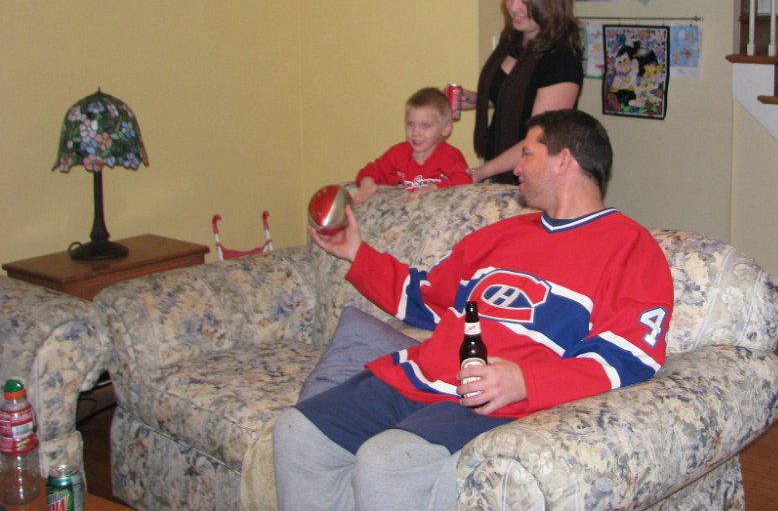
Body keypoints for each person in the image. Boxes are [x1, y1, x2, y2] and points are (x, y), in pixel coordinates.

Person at [273, 109, 674, 511]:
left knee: (388, 462)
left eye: (527, 154)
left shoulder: (629, 247)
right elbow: (428, 298)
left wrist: (527, 381)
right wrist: (357, 253)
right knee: (297, 431)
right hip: (419, 378)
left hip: (493, 402)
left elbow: (629, 358)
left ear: (563, 160)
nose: (517, 168)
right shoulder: (498, 236)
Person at [461, 0, 584, 184]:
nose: (513, 7)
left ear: (549, 3)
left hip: (537, 179)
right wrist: (478, 99)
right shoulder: (513, 42)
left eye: (525, 1)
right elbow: (520, 97)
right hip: (501, 172)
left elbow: (539, 137)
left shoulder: (561, 61)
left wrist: (483, 172)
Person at [352, 87, 472, 203]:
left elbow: (465, 179)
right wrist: (367, 182)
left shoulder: (449, 155)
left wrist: (435, 187)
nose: (415, 133)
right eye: (411, 125)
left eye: (425, 126)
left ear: (446, 128)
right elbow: (371, 171)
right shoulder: (398, 153)